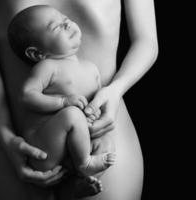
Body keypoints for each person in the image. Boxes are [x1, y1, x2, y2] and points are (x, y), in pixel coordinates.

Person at [0, 0, 158, 199]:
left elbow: (146, 41)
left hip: (103, 133)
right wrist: (7, 136)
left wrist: (116, 90)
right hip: (18, 143)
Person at [7, 5, 116, 190]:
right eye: (56, 26)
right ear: (37, 53)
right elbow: (26, 95)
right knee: (72, 114)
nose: (67, 24)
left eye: (65, 19)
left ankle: (79, 183)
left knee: (104, 140)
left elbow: (95, 104)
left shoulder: (90, 68)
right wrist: (63, 102)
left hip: (76, 143)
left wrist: (93, 116)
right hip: (45, 145)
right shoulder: (48, 66)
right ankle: (85, 164)